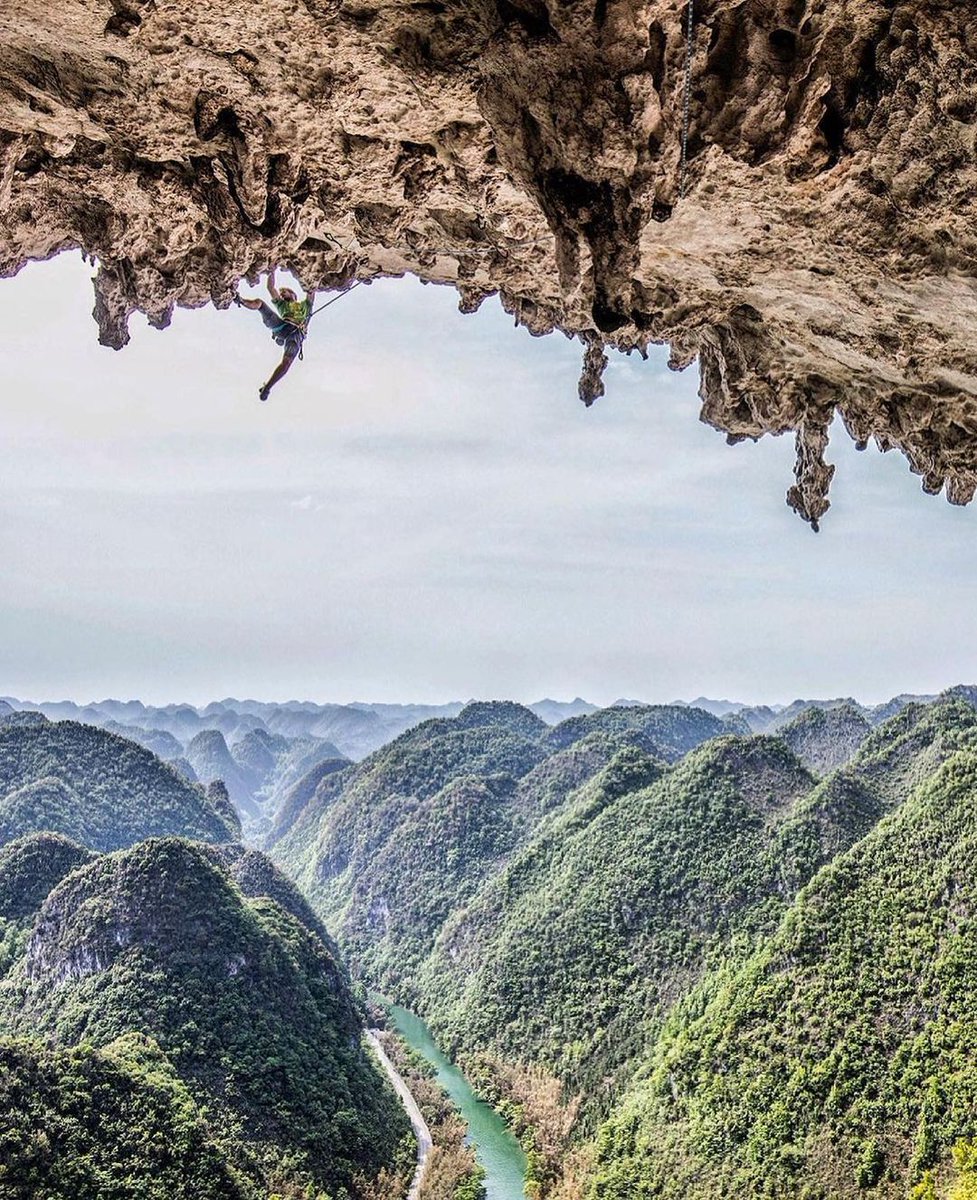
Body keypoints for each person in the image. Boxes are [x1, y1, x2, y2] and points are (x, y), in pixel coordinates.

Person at [234, 269, 316, 401]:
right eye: (281, 293)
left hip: (296, 333)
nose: (281, 294)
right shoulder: (282, 305)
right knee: (260, 303)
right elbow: (270, 287)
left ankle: (268, 387)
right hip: (282, 326)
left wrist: (307, 274)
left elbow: (311, 291)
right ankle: (240, 300)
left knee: (287, 362)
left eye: (284, 292)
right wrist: (272, 269)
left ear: (293, 294)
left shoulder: (305, 306)